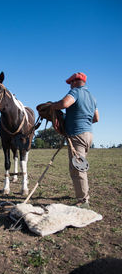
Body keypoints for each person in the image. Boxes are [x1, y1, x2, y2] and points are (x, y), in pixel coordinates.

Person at [51, 72, 99, 208]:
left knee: (78, 168)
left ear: (75, 82)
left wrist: (53, 106)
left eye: (70, 83)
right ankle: (83, 194)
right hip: (89, 135)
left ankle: (83, 201)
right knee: (81, 165)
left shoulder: (75, 92)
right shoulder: (92, 97)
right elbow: (96, 118)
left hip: (77, 135)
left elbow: (65, 104)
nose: (70, 86)